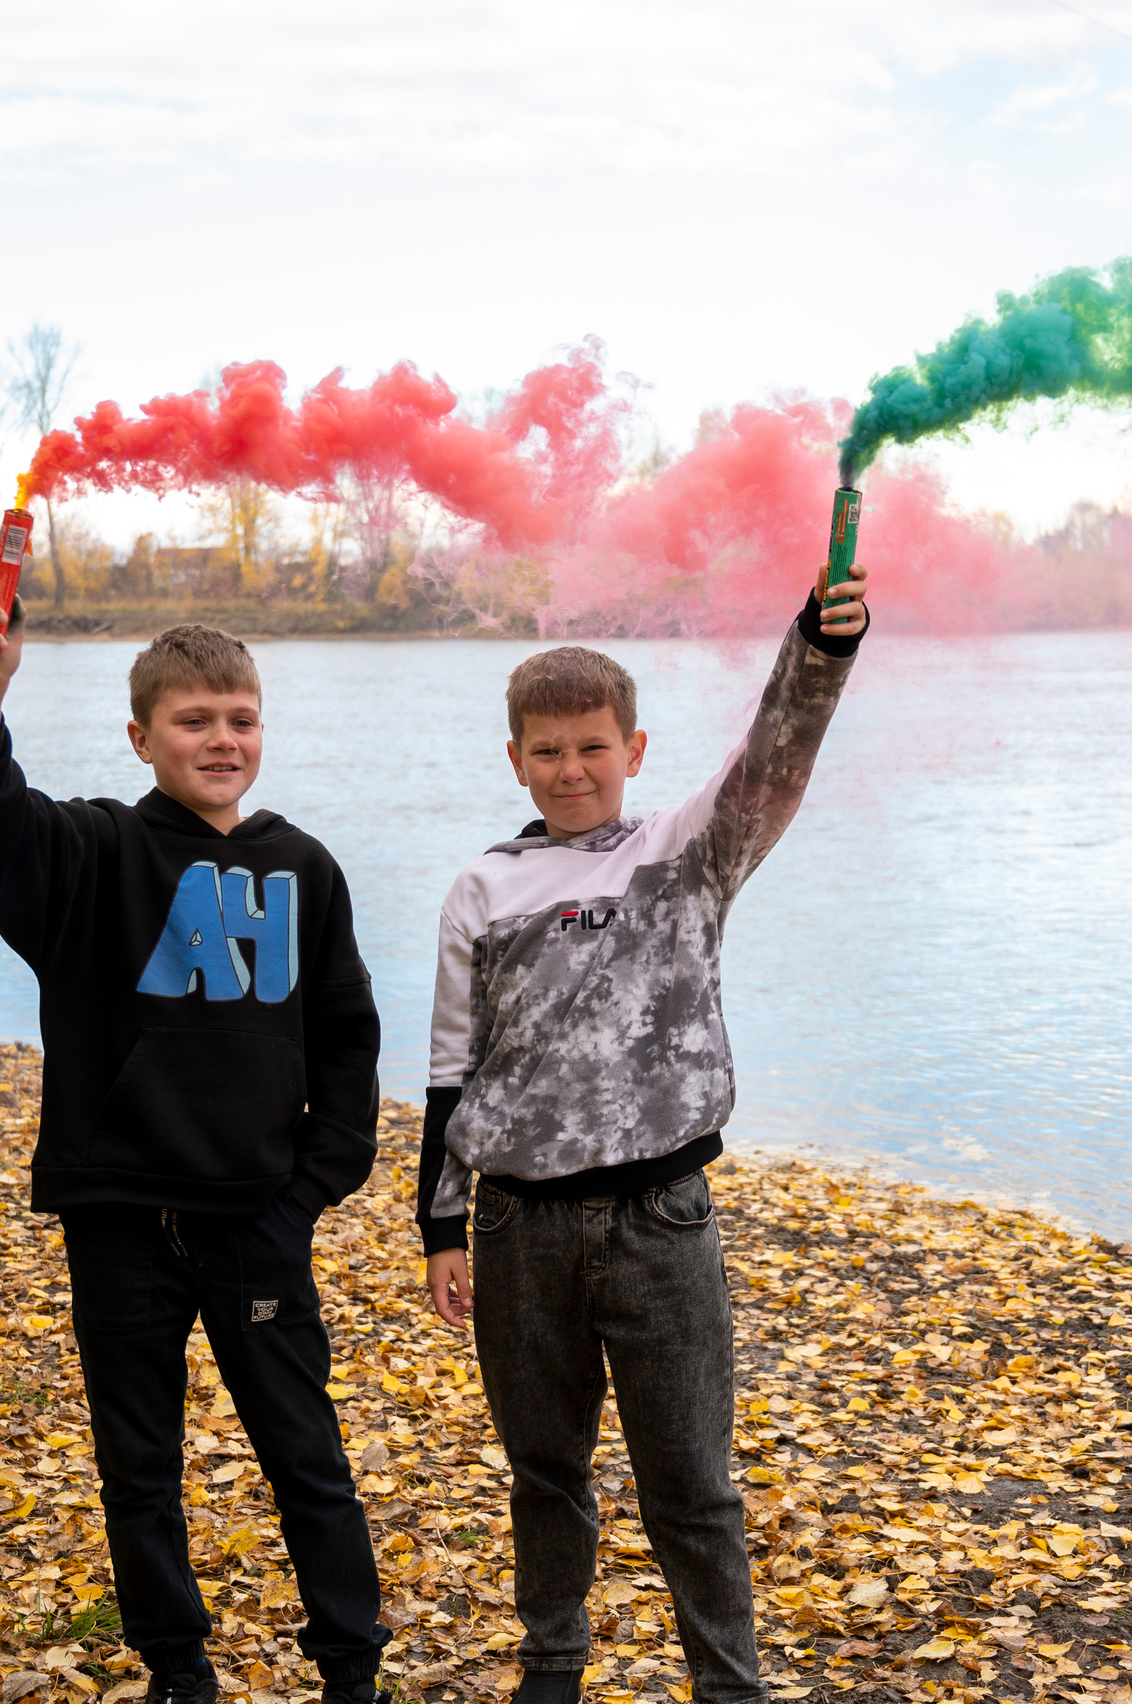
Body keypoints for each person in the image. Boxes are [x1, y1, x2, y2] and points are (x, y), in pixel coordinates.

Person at [415, 560, 872, 1704]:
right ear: (515, 759)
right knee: (545, 1474)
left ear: (635, 748)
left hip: (663, 1223)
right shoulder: (482, 885)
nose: (572, 769)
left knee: (691, 1484)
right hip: (518, 1226)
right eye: (547, 750)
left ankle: (729, 1686)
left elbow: (777, 758)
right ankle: (552, 1670)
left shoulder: (688, 853)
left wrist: (817, 648)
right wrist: (442, 1225)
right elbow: (448, 1068)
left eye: (593, 746)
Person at [0, 582, 392, 1704]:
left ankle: (349, 1667)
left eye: (240, 718)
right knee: (139, 1468)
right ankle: (178, 1669)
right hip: (120, 1224)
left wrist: (306, 1194)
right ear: (142, 736)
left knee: (310, 1464)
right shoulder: (89, 854)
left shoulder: (305, 867)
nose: (221, 740)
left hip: (258, 1224)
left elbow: (345, 1041)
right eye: (194, 721)